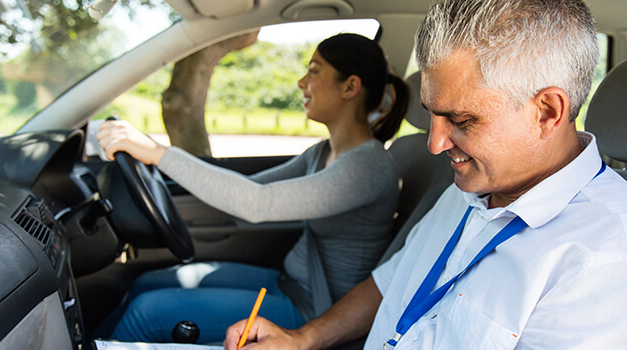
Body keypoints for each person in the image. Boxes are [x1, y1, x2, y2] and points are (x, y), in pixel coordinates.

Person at [223, 0, 627, 349]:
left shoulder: (613, 264)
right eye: (432, 115)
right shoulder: (475, 187)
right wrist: (302, 339)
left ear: (547, 112)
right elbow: (393, 281)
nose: (435, 143)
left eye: (462, 121)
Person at [95, 33, 410, 343]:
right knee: (146, 284)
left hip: (317, 311)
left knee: (146, 313)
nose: (302, 82)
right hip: (286, 283)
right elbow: (248, 189)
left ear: (350, 87)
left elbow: (258, 204)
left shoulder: (368, 166)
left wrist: (157, 153)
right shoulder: (321, 152)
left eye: (314, 71)